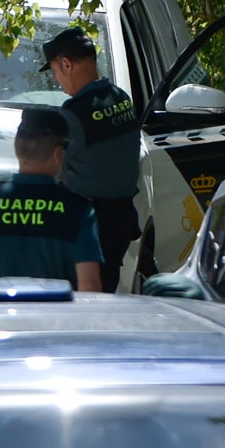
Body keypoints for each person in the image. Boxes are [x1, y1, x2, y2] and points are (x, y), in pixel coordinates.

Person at [0, 108, 104, 291]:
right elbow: (90, 286)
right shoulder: (78, 210)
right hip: (53, 319)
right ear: (58, 154)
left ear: (17, 149)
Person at [42, 26, 143, 288]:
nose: (57, 80)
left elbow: (49, 169)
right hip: (119, 222)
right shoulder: (121, 98)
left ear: (66, 64)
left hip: (87, 226)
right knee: (105, 294)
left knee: (81, 306)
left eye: (54, 71)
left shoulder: (75, 114)